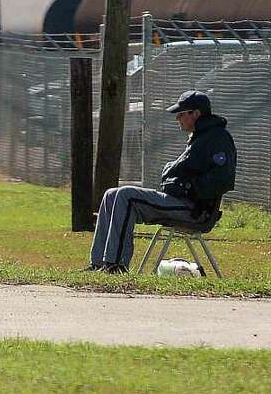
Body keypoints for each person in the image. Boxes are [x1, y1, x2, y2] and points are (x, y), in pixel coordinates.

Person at [87, 90, 236, 274]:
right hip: (182, 203)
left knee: (127, 196)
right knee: (111, 194)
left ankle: (115, 266)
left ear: (196, 113)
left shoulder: (217, 138)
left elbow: (223, 180)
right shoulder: (201, 137)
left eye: (181, 114)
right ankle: (98, 264)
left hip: (196, 210)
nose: (177, 119)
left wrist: (186, 187)